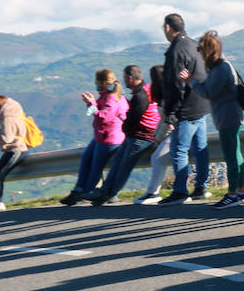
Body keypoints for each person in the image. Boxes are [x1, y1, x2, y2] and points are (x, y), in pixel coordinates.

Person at [187, 31, 244, 209]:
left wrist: (192, 82)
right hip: (231, 115)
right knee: (236, 155)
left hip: (227, 116)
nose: (199, 52)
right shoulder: (222, 66)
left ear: (207, 50)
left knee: (231, 156)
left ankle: (232, 195)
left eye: (200, 49)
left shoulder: (220, 69)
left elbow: (208, 92)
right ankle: (241, 191)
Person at [87, 65, 160, 205]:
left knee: (124, 166)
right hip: (139, 134)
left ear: (130, 78)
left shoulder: (140, 96)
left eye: (125, 78)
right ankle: (105, 191)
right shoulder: (145, 89)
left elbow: (134, 118)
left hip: (141, 135)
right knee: (118, 162)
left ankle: (109, 193)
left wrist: (126, 129)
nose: (124, 81)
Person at [159, 13, 211, 205]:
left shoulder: (176, 50)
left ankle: (180, 191)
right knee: (200, 149)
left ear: (167, 28)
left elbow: (176, 85)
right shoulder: (192, 44)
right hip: (202, 103)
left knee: (179, 150)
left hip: (186, 107)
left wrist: (171, 112)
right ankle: (201, 187)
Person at [59, 69, 128, 205]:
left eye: (97, 83)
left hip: (109, 139)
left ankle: (86, 193)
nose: (96, 85)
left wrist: (91, 104)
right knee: (86, 159)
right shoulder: (106, 95)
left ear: (103, 83)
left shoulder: (112, 98)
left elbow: (104, 117)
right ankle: (79, 190)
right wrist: (90, 103)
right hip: (101, 136)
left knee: (96, 166)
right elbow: (98, 111)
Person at [135, 65, 173, 204]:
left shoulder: (166, 94)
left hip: (173, 131)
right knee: (158, 158)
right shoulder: (166, 92)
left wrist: (158, 137)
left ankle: (153, 192)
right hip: (169, 131)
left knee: (157, 158)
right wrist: (157, 136)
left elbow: (169, 120)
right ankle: (153, 192)